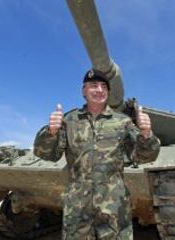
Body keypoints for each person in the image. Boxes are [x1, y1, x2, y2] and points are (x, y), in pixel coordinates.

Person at [33, 69, 160, 240]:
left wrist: (146, 134)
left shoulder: (123, 121)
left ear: (108, 92)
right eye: (93, 86)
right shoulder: (69, 120)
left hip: (113, 203)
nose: (99, 90)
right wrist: (51, 132)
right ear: (83, 91)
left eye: (103, 87)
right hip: (78, 203)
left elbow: (144, 156)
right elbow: (47, 154)